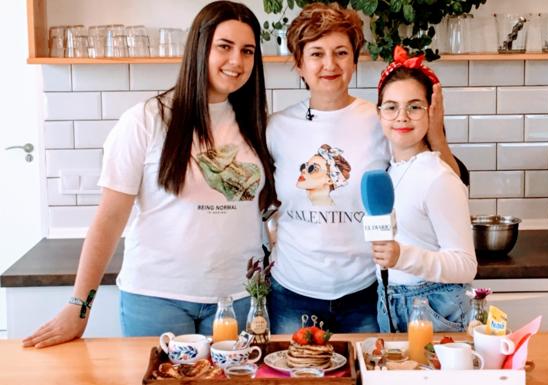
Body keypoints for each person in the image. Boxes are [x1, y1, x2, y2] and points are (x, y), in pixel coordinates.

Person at [23, 0, 275, 348]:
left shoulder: (256, 125)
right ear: (200, 47)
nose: (237, 61)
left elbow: (268, 211)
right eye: (225, 47)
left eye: (247, 51)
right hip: (157, 299)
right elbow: (109, 218)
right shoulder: (147, 120)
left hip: (239, 299)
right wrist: (78, 306)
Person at [265, 3, 461, 334]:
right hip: (291, 294)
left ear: (355, 60)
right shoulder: (275, 128)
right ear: (299, 64)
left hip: (365, 293)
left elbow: (445, 181)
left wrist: (436, 134)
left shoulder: (381, 120)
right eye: (316, 54)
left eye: (341, 52)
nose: (329, 64)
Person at [372, 46, 478, 333]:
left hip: (434, 307)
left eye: (414, 106)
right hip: (390, 302)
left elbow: (466, 265)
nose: (402, 117)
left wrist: (401, 257)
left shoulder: (438, 178)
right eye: (391, 106)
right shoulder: (390, 171)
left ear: (431, 112)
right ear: (379, 113)